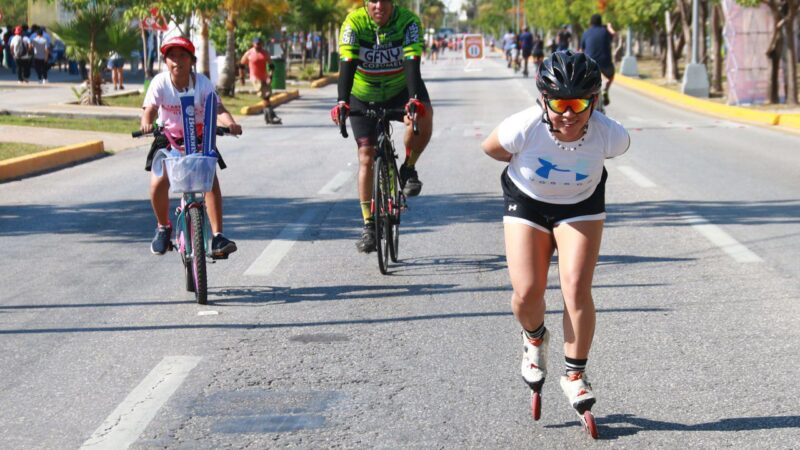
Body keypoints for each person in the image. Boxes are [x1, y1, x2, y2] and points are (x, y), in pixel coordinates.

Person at [481, 51, 630, 420]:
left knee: (576, 287)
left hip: (580, 205)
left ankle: (575, 374)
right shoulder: (524, 127)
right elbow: (492, 148)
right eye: (558, 103)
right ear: (543, 100)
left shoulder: (611, 136)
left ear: (593, 102)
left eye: (578, 103)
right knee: (526, 292)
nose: (568, 114)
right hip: (526, 202)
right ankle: (534, 338)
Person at [330, 0, 434, 254]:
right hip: (363, 93)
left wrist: (412, 99)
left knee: (423, 116)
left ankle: (409, 167)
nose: (379, 5)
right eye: (373, 1)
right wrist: (342, 101)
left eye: (384, 0)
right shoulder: (354, 23)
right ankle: (369, 224)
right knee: (366, 156)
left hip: (401, 88)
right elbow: (347, 63)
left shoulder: (408, 22)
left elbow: (412, 60)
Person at [139, 36, 242, 258]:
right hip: (168, 139)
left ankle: (217, 237)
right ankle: (163, 228)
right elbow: (149, 109)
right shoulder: (160, 83)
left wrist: (230, 124)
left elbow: (218, 107)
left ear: (192, 60)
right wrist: (146, 122)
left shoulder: (202, 83)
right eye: (172, 56)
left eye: (183, 55)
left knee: (210, 182)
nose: (177, 61)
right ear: (165, 61)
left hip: (199, 139)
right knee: (158, 182)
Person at [241, 37, 281, 125]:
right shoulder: (249, 53)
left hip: (264, 77)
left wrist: (270, 77)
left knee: (267, 96)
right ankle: (270, 115)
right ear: (253, 44)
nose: (258, 45)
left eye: (259, 44)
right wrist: (242, 77)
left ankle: (268, 116)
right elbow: (242, 65)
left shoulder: (265, 53)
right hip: (254, 78)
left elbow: (271, 66)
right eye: (256, 44)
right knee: (265, 96)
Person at [580, 13, 616, 106]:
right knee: (611, 75)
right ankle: (606, 89)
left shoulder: (586, 33)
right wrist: (609, 27)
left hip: (590, 65)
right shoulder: (605, 31)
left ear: (590, 23)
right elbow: (614, 34)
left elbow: (581, 50)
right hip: (606, 65)